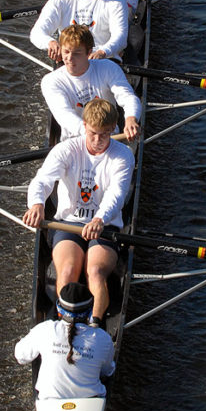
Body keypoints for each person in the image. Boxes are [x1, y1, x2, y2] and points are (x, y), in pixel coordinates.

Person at [23, 98, 135, 327]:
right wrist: (37, 204)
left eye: (105, 134)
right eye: (93, 133)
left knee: (94, 271)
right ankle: (65, 324)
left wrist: (100, 219)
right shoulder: (65, 149)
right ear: (84, 125)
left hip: (106, 225)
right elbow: (43, 180)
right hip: (68, 223)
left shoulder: (122, 155)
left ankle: (94, 324)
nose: (98, 140)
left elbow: (117, 193)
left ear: (114, 129)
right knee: (67, 271)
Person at [14, 282, 115, 400]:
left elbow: (20, 356)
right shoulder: (103, 338)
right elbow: (107, 371)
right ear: (90, 311)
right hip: (92, 399)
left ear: (59, 309)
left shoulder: (45, 329)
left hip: (50, 398)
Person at [41, 24, 141, 140]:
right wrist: (94, 135)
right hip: (76, 141)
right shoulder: (51, 81)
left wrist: (131, 118)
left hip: (110, 137)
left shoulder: (108, 68)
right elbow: (65, 116)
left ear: (89, 52)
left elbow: (127, 97)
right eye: (66, 52)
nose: (69, 58)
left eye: (76, 53)